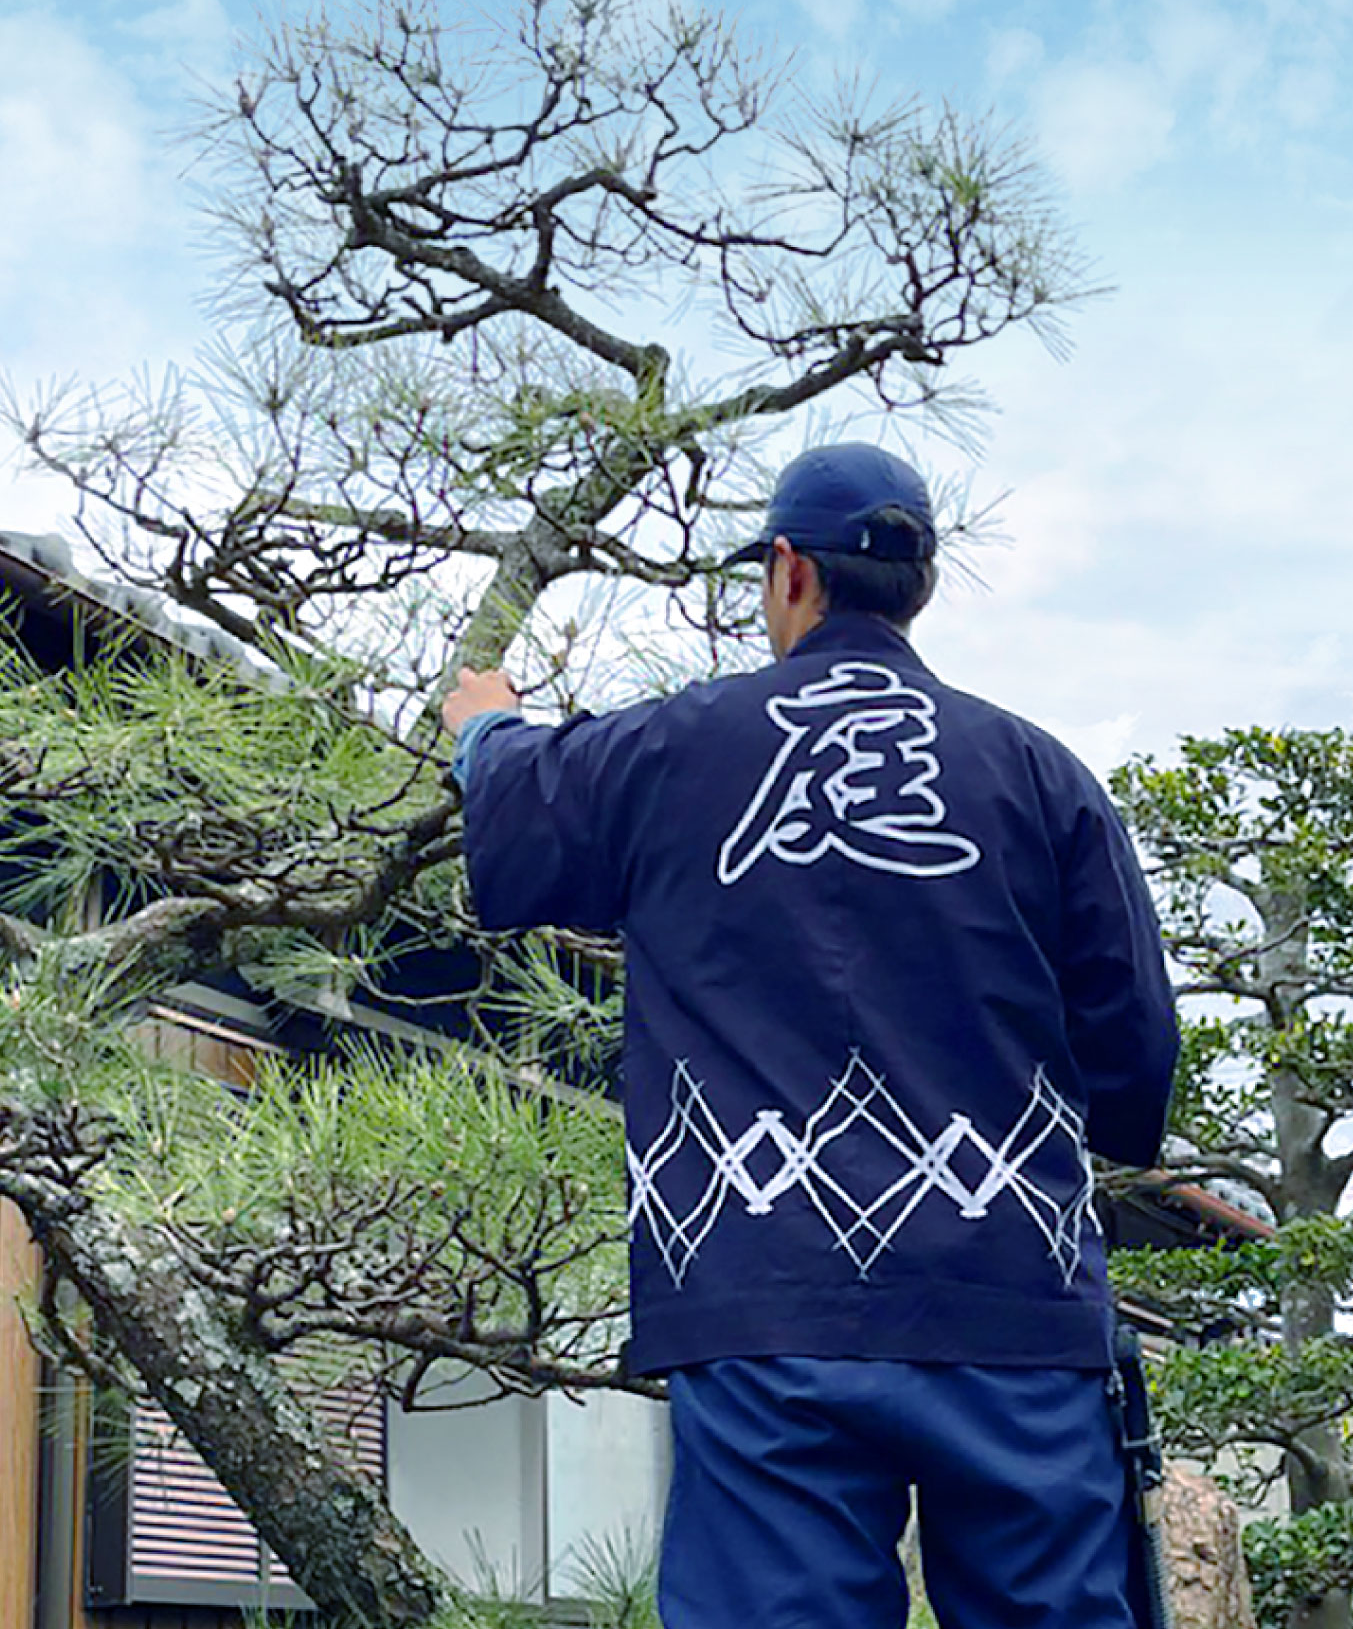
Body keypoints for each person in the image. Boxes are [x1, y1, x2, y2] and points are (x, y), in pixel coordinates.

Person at [442, 442, 1181, 1629]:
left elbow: (521, 807)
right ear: (920, 586)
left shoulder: (670, 749)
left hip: (761, 1289)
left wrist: (485, 728)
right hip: (1010, 1299)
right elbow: (1134, 1064)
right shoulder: (1043, 777)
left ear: (788, 569)